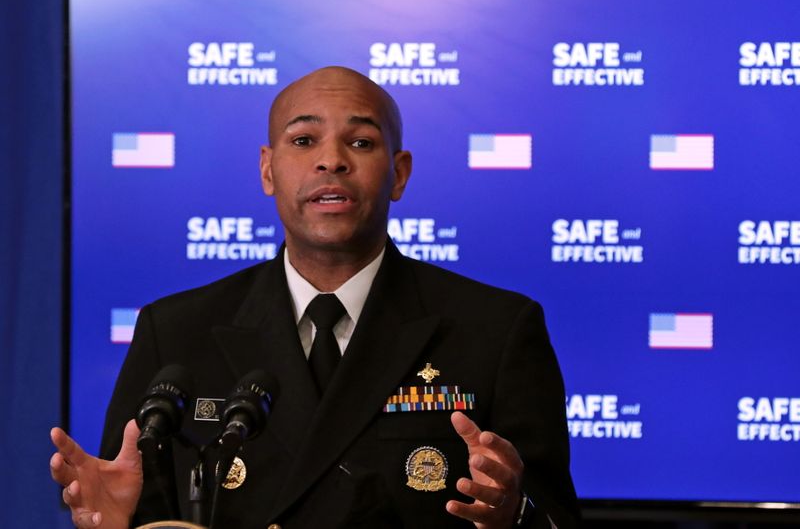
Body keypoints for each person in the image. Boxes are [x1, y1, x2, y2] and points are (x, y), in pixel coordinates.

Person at [51, 66, 579, 528]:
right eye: (304, 141)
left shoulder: (496, 330)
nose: (332, 161)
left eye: (362, 142)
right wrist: (117, 526)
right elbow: (142, 506)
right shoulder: (175, 331)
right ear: (267, 169)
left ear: (399, 174)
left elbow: (557, 518)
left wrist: (517, 514)